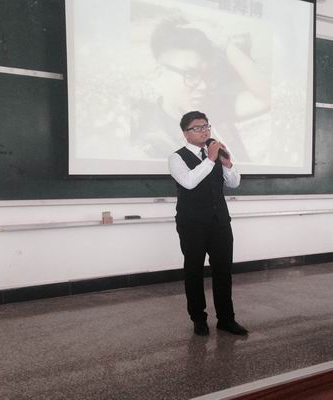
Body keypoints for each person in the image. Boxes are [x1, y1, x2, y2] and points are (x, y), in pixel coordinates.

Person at [131, 16, 271, 161]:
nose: (204, 86)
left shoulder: (212, 107)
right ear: (159, 73)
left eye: (207, 75)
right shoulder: (152, 147)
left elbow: (267, 98)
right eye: (190, 74)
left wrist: (225, 44)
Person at [169, 110, 248, 336]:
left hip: (220, 222)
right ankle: (198, 319)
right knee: (194, 271)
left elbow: (234, 183)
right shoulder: (176, 158)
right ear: (186, 133)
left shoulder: (214, 154)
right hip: (192, 224)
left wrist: (227, 164)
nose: (204, 131)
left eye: (206, 126)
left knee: (223, 271)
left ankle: (226, 319)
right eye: (197, 128)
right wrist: (210, 160)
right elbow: (189, 182)